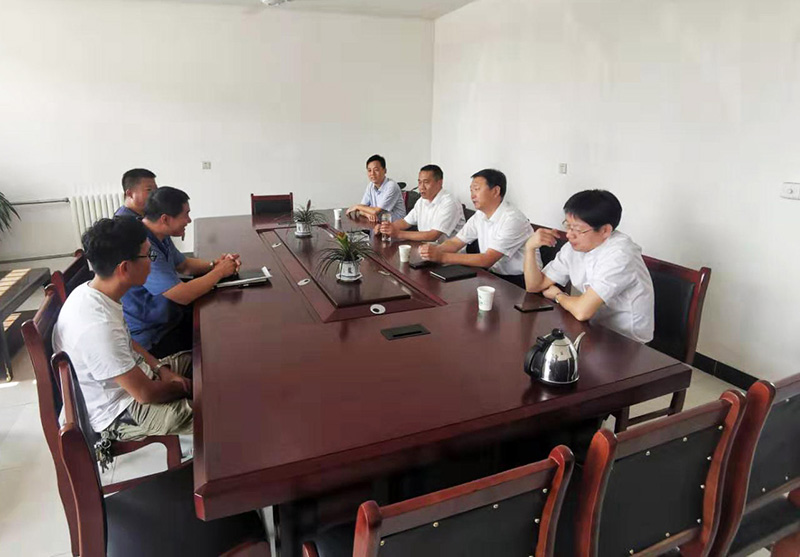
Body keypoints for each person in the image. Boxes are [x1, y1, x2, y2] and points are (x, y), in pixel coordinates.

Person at [52, 217, 193, 440]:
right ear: (125, 268)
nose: (152, 262)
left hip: (135, 378)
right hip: (120, 409)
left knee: (205, 361)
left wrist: (160, 369)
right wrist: (184, 387)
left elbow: (128, 342)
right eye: (148, 255)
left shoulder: (93, 292)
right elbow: (145, 394)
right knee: (213, 410)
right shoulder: (98, 327)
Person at [122, 187, 240, 358]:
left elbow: (184, 265)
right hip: (154, 336)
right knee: (220, 343)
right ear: (165, 219)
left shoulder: (158, 233)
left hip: (170, 318)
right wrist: (219, 272)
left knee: (224, 322)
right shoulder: (144, 246)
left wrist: (215, 264)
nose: (189, 220)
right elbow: (183, 295)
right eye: (186, 214)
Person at [523, 189, 654, 343]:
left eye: (578, 229)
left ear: (605, 230)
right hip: (593, 330)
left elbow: (582, 311)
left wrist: (559, 296)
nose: (569, 234)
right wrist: (530, 248)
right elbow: (534, 286)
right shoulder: (574, 247)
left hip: (628, 342)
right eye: (568, 226)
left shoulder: (621, 254)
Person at [419, 169, 535, 288]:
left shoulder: (513, 219)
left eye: (477, 189)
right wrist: (435, 250)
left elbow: (488, 259)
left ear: (496, 191)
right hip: (492, 275)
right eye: (471, 190)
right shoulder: (480, 215)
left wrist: (442, 256)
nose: (472, 195)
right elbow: (456, 242)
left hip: (518, 282)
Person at [374, 164, 465, 243]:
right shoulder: (422, 201)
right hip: (426, 248)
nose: (421, 187)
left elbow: (433, 236)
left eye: (426, 182)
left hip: (448, 254)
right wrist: (385, 227)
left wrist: (398, 234)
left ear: (439, 183)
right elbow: (405, 222)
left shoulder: (449, 202)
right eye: (419, 182)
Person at [346, 154, 407, 222]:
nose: (372, 173)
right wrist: (368, 214)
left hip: (396, 225)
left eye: (376, 170)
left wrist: (356, 206)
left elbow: (375, 211)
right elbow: (361, 209)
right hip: (379, 223)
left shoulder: (391, 186)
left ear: (385, 171)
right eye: (369, 170)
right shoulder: (370, 186)